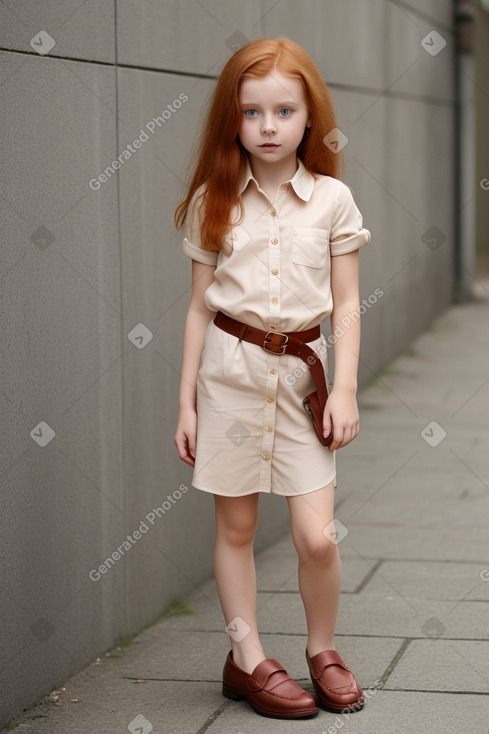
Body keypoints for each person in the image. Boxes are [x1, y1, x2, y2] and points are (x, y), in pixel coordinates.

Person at [174, 37, 370, 720]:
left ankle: (322, 650)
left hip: (303, 379)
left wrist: (343, 388)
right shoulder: (213, 199)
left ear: (308, 117)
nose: (266, 127)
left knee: (316, 534)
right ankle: (248, 656)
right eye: (251, 112)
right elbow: (199, 309)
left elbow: (345, 304)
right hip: (227, 378)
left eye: (283, 111)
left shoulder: (332, 200)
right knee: (234, 528)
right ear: (232, 119)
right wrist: (186, 405)